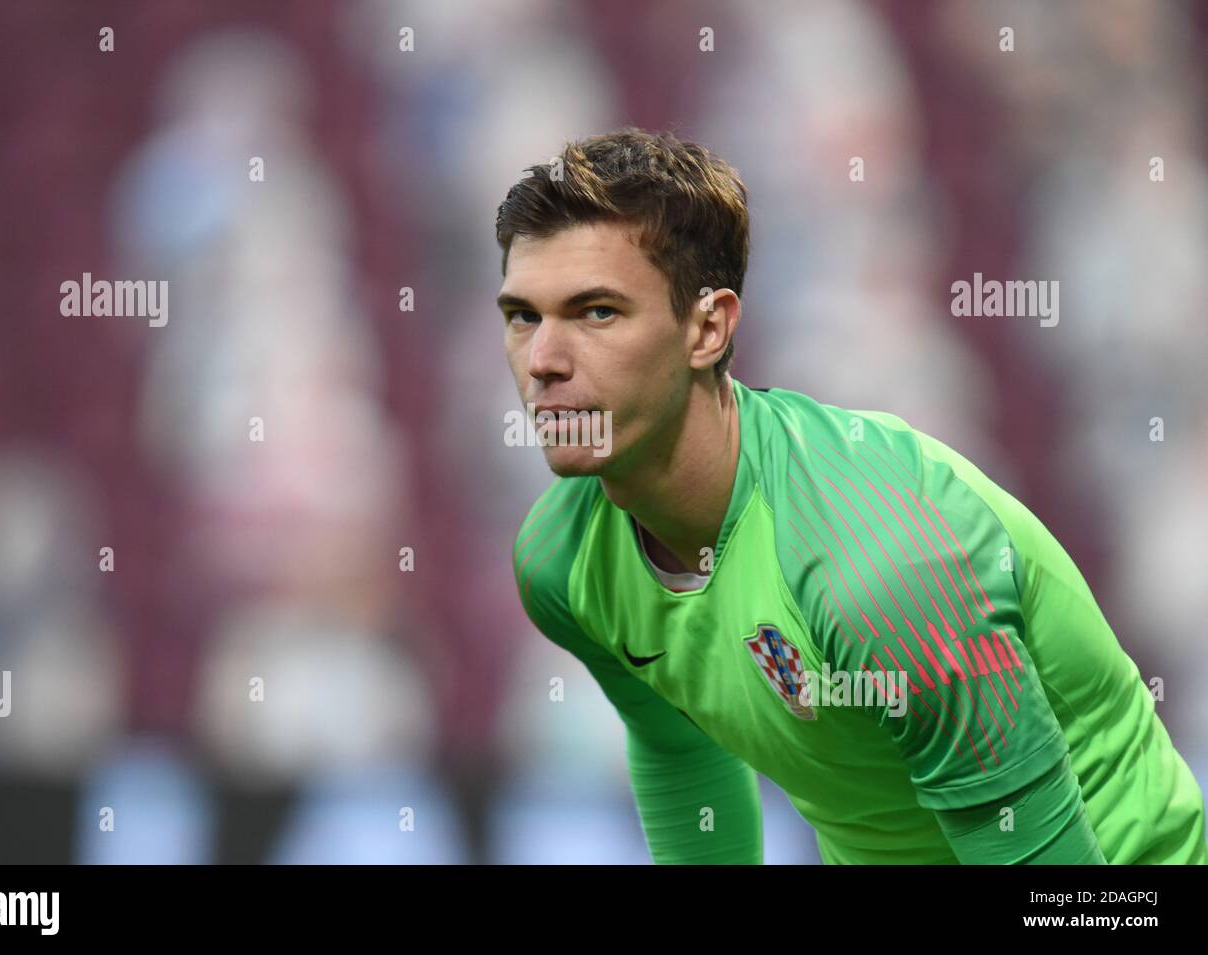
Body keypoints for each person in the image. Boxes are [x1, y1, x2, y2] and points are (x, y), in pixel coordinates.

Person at [496, 127, 1206, 864]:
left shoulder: (881, 568)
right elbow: (680, 751)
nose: (543, 361)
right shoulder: (561, 562)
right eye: (523, 316)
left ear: (707, 328)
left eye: (597, 312)